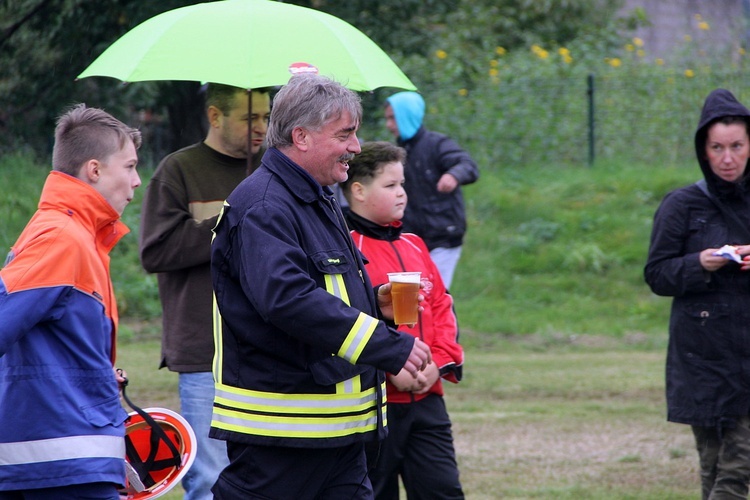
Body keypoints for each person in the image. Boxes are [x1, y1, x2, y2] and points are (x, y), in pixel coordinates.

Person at [209, 74, 432, 500]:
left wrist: (374, 301)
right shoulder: (263, 205)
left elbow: (322, 289)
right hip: (283, 435)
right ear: (302, 137)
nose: (357, 146)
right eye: (345, 134)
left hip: (336, 434)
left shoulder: (317, 195)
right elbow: (288, 299)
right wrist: (386, 345)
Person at [0, 104, 141, 498]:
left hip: (69, 459)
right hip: (61, 466)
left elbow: (48, 342)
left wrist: (95, 373)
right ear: (94, 170)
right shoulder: (62, 238)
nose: (137, 181)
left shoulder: (79, 236)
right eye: (129, 167)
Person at [139, 84, 271, 500]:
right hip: (204, 352)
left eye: (267, 117)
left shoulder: (275, 170)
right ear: (215, 117)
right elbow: (156, 250)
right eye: (250, 118)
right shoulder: (179, 170)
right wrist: (230, 219)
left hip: (270, 348)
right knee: (210, 479)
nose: (262, 128)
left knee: (271, 475)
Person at [341, 141, 465, 499]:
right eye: (390, 185)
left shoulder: (415, 244)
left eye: (403, 184)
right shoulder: (345, 250)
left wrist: (436, 365)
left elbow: (442, 309)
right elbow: (341, 322)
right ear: (359, 191)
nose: (402, 194)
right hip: (373, 407)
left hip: (427, 400)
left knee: (443, 490)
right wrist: (390, 363)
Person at [645, 88, 750, 499]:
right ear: (703, 151)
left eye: (737, 146)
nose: (728, 158)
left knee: (736, 469)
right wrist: (699, 264)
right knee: (714, 467)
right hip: (702, 356)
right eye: (717, 148)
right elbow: (657, 274)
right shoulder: (682, 205)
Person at [384, 91, 479, 289]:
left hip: (443, 237)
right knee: (417, 297)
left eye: (393, 118)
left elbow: (467, 164)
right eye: (387, 119)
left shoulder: (437, 144)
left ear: (407, 115)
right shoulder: (398, 153)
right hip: (413, 238)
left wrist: (454, 175)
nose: (389, 125)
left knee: (436, 295)